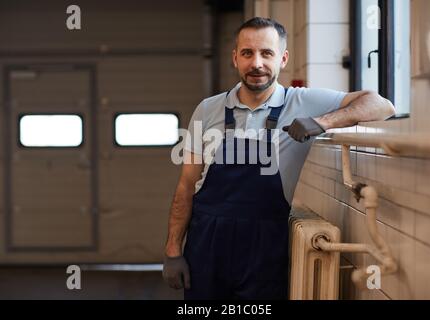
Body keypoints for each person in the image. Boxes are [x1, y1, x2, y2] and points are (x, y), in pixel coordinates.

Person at [162, 17, 395, 300]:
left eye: (266, 53)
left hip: (264, 250)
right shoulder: (208, 109)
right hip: (206, 245)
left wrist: (322, 121)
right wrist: (173, 251)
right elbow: (186, 186)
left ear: (283, 59)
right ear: (235, 58)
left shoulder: (302, 102)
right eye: (247, 53)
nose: (256, 63)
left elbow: (382, 105)